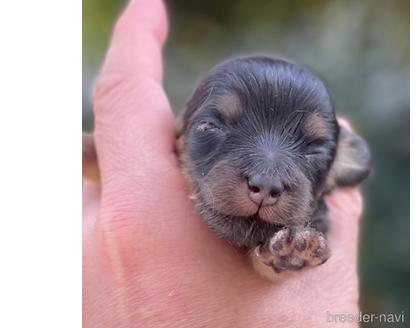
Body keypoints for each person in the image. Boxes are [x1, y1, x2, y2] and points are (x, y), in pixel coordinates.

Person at [83, 0, 363, 326]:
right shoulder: (161, 156)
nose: (267, 180)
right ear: (177, 134)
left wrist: (278, 257)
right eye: (213, 127)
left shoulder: (315, 220)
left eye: (313, 150)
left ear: (339, 165)